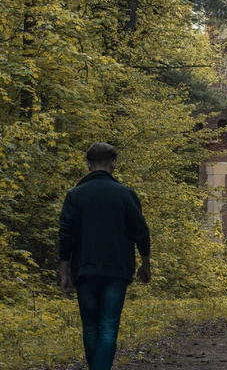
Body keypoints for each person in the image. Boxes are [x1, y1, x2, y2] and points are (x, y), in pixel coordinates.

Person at [59, 142, 151, 370]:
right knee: (108, 326)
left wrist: (64, 272)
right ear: (113, 163)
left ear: (88, 163)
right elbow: (141, 231)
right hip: (117, 270)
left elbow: (65, 235)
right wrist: (145, 263)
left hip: (85, 269)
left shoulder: (75, 195)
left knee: (90, 327)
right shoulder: (126, 195)